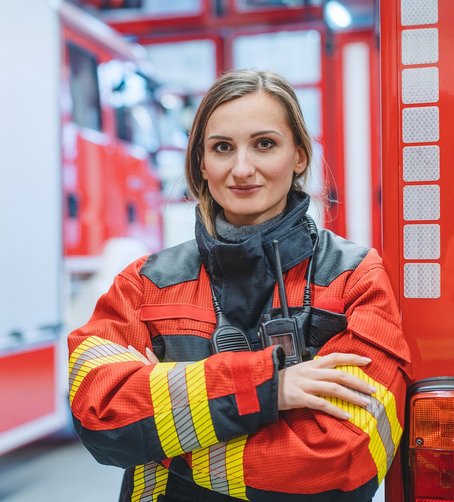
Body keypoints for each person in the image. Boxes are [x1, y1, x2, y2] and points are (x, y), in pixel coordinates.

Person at [68, 69, 411, 501]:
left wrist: (164, 444)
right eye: (222, 148)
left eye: (264, 144)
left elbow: (341, 458)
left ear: (299, 155)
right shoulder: (143, 285)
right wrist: (268, 388)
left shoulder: (353, 277)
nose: (242, 168)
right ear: (201, 163)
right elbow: (101, 415)